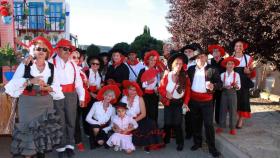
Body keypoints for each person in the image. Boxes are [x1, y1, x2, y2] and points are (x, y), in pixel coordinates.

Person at [5, 36, 64, 158]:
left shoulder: (52, 68)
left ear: (47, 53)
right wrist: (30, 81)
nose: (41, 51)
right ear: (34, 51)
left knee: (42, 132)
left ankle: (39, 153)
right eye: (38, 48)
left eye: (44, 49)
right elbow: (12, 85)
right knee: (28, 132)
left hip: (45, 103)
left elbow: (57, 87)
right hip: (27, 103)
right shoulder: (26, 64)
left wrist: (48, 88)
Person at [51, 39, 85, 158]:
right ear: (58, 49)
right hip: (56, 95)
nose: (67, 51)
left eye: (69, 49)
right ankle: (61, 147)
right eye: (65, 48)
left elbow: (78, 82)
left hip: (71, 95)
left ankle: (70, 146)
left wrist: (81, 97)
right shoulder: (51, 63)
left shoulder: (73, 65)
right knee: (60, 121)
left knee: (71, 120)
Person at [187, 48, 222, 157]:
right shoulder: (191, 69)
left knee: (208, 125)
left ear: (206, 57)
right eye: (198, 57)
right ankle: (197, 143)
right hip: (194, 100)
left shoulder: (213, 69)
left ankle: (212, 147)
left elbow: (220, 84)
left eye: (202, 56)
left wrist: (213, 86)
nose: (200, 58)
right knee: (196, 123)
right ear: (195, 59)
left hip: (207, 101)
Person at [158, 53, 191, 151]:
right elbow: (161, 88)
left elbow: (188, 92)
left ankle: (180, 142)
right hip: (168, 103)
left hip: (179, 103)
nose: (178, 65)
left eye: (180, 64)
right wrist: (165, 93)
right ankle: (166, 138)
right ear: (173, 64)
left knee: (177, 123)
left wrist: (185, 103)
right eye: (177, 63)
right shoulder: (167, 75)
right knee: (167, 123)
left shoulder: (185, 76)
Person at [120, 80, 165, 152]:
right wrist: (127, 122)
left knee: (149, 125)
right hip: (126, 120)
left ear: (137, 91)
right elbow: (120, 113)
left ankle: (145, 144)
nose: (132, 92)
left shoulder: (140, 99)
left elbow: (143, 114)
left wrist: (133, 121)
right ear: (127, 90)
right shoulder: (123, 99)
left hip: (139, 119)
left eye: (134, 90)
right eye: (130, 89)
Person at [86, 85, 120, 149]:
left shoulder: (112, 108)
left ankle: (99, 139)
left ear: (113, 98)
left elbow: (113, 122)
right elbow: (87, 118)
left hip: (104, 127)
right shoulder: (96, 104)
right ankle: (94, 137)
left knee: (102, 143)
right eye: (106, 95)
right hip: (94, 124)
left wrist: (106, 129)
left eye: (110, 96)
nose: (108, 97)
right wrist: (97, 123)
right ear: (103, 96)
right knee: (96, 129)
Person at [232, 39, 256, 129]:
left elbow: (253, 73)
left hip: (244, 83)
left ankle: (240, 120)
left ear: (243, 48)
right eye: (236, 46)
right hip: (234, 83)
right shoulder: (231, 58)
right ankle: (235, 117)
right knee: (235, 101)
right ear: (234, 47)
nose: (238, 47)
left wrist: (248, 71)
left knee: (244, 102)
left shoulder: (248, 58)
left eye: (240, 46)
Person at [216, 57, 241, 135]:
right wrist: (223, 86)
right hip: (224, 93)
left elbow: (239, 86)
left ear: (234, 66)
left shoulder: (236, 75)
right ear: (226, 65)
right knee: (222, 110)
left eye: (232, 64)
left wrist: (236, 86)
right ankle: (221, 126)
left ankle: (232, 128)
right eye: (229, 64)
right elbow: (219, 85)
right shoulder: (222, 74)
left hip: (233, 93)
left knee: (233, 110)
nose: (230, 65)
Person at [70, 50, 89, 152]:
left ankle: (78, 141)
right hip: (67, 96)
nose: (77, 60)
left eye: (78, 58)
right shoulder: (64, 68)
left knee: (76, 120)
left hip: (78, 97)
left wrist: (86, 82)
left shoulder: (81, 70)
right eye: (74, 57)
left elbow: (85, 84)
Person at [137, 50, 160, 123]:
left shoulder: (156, 71)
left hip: (154, 95)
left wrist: (157, 88)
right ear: (147, 60)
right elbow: (139, 84)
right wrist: (147, 82)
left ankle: (154, 130)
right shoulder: (142, 70)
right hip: (144, 96)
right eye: (151, 60)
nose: (153, 62)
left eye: (154, 60)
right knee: (145, 113)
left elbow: (157, 83)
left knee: (154, 113)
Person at [208, 44, 226, 125]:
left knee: (220, 104)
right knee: (210, 105)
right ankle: (209, 121)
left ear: (221, 52)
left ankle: (218, 121)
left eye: (217, 51)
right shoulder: (209, 61)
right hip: (211, 86)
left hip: (221, 86)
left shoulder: (224, 62)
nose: (215, 52)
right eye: (214, 51)